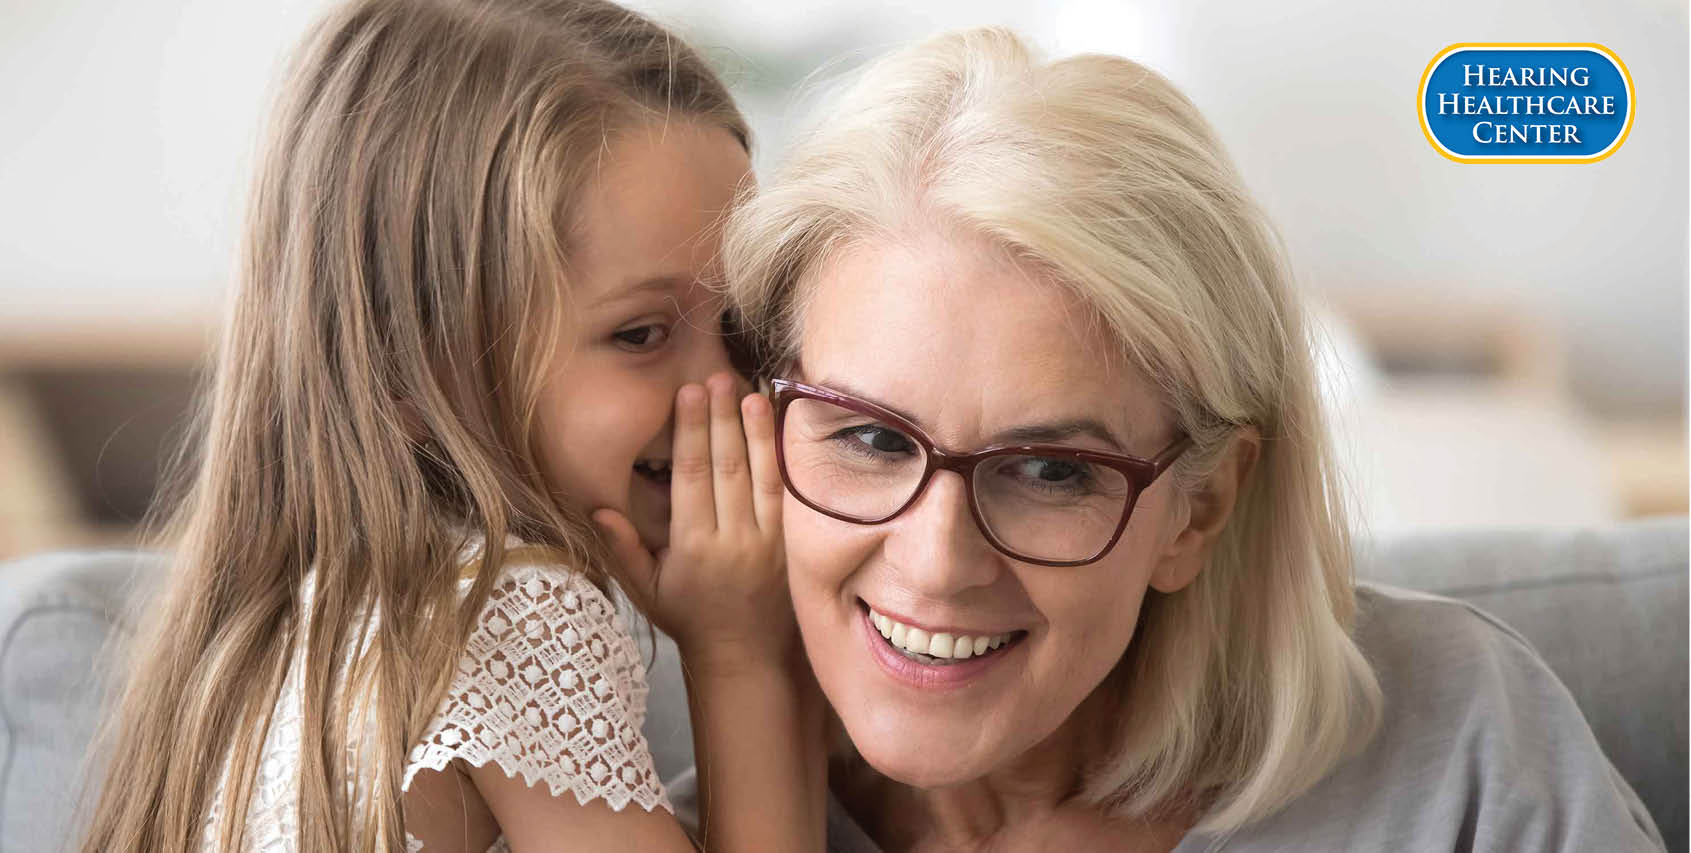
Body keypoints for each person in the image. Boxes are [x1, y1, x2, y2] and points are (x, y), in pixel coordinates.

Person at [705, 26, 1665, 851]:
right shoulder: (658, 823)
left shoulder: (1461, 753)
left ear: (1199, 507)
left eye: (1049, 470)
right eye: (871, 439)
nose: (938, 561)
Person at [79, 0, 820, 850]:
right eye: (640, 334)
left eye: (741, 327)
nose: (728, 389)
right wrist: (741, 654)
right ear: (413, 373)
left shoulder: (285, 631)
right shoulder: (509, 606)